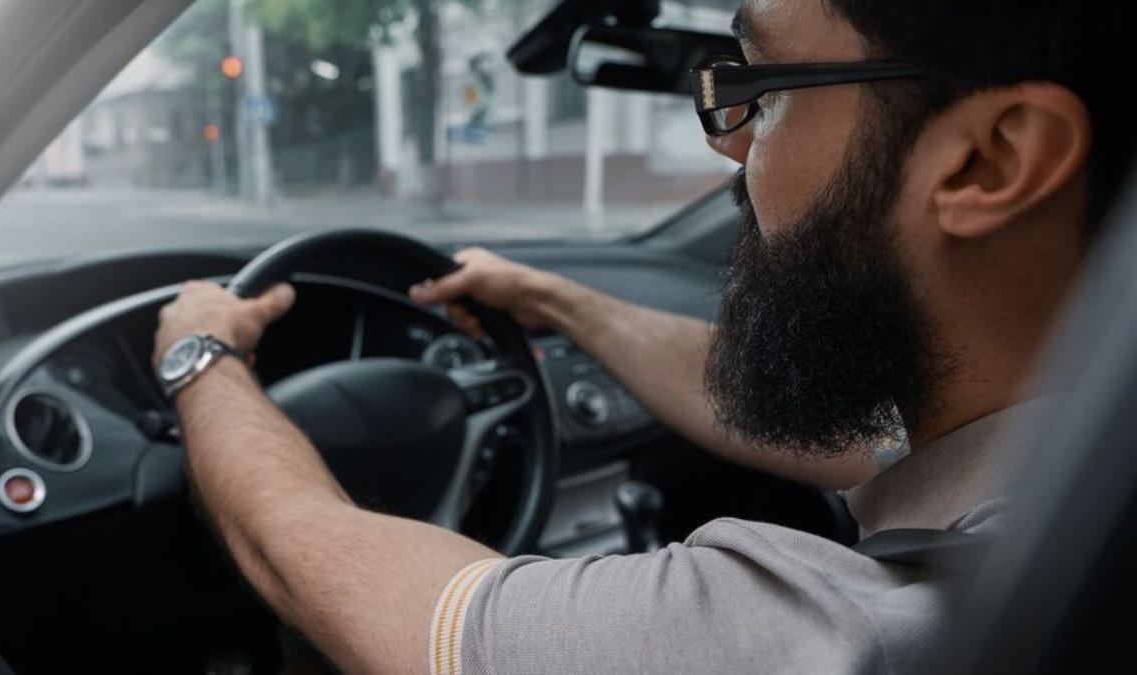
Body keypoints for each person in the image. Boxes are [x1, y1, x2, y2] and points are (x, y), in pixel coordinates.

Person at [151, 0, 1137, 672]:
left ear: (989, 161)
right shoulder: (1059, 473)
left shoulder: (867, 629)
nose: (731, 146)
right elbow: (848, 440)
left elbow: (315, 565)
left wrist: (203, 357)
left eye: (768, 90)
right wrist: (557, 300)